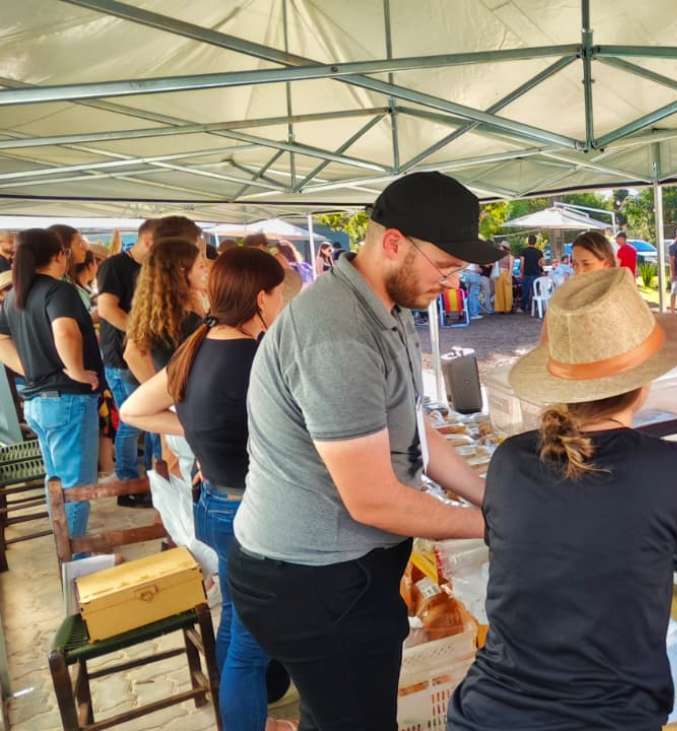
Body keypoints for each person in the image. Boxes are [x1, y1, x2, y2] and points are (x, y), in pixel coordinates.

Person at [227, 172, 500, 729]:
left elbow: (413, 423)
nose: (450, 284)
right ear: (394, 242)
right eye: (445, 266)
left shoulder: (386, 306)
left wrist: (491, 497)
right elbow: (373, 501)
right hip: (312, 582)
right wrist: (493, 526)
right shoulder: (338, 332)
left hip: (345, 570)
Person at [447, 268, 677, 730]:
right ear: (645, 380)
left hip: (486, 712)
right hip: (610, 719)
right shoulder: (675, 468)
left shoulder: (509, 459)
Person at [119, 248, 290, 731]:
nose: (280, 302)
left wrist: (197, 431)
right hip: (249, 515)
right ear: (261, 297)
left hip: (214, 503)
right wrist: (198, 431)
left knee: (236, 621)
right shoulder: (257, 356)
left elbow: (133, 409)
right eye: (278, 293)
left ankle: (242, 716)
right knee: (250, 647)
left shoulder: (198, 342)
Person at [0, 229, 102, 538]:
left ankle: (64, 544)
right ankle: (73, 552)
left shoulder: (15, 296)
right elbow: (65, 332)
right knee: (75, 486)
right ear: (59, 256)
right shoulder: (59, 291)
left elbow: (2, 339)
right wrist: (76, 371)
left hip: (36, 401)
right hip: (66, 399)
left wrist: (30, 370)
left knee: (55, 480)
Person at [97, 218, 159, 504]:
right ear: (147, 241)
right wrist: (139, 334)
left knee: (154, 421)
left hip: (147, 355)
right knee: (132, 421)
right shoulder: (113, 267)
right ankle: (128, 486)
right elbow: (107, 310)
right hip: (121, 358)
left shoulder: (151, 268)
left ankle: (153, 479)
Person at [124, 239, 209, 382]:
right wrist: (159, 399)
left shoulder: (178, 304)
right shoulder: (166, 312)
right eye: (201, 266)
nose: (206, 269)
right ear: (181, 273)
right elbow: (132, 354)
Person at [519, 235, 545, 312]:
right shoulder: (539, 252)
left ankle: (523, 308)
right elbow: (542, 263)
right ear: (535, 242)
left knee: (525, 292)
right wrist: (538, 264)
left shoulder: (524, 251)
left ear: (528, 242)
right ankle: (535, 307)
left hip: (527, 274)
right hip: (537, 274)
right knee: (536, 292)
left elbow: (522, 263)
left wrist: (521, 273)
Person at [492, 247, 514, 314]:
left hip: (506, 274)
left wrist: (508, 277)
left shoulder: (510, 257)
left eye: (501, 247)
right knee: (499, 292)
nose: (500, 248)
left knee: (507, 292)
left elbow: (511, 268)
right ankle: (500, 308)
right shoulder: (498, 256)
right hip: (498, 274)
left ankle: (508, 308)